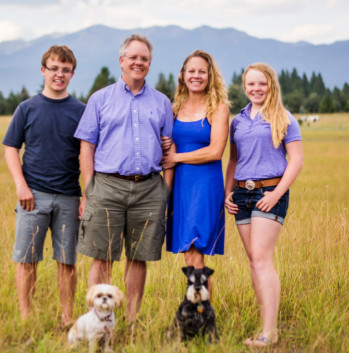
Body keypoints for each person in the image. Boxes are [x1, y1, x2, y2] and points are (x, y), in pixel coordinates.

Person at [73, 34, 173, 322]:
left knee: (138, 257)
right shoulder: (100, 99)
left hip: (149, 188)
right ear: (122, 61)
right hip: (106, 186)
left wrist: (165, 190)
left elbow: (170, 148)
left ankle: (130, 320)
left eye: (144, 58)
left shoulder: (162, 102)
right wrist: (89, 189)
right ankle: (98, 320)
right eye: (133, 57)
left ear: (149, 63)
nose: (138, 62)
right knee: (101, 255)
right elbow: (87, 146)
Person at [2, 45, 86, 327]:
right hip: (32, 196)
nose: (59, 74)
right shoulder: (27, 108)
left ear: (72, 74)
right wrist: (20, 186)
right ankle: (26, 316)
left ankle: (67, 317)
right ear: (43, 70)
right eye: (54, 68)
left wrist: (87, 194)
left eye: (65, 70)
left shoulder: (81, 111)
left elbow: (88, 156)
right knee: (27, 258)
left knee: (67, 261)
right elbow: (11, 149)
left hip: (69, 198)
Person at [224, 62, 303, 347]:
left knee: (261, 258)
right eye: (251, 84)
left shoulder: (284, 118)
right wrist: (227, 193)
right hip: (242, 196)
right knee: (253, 261)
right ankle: (264, 327)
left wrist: (277, 194)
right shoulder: (239, 120)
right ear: (244, 86)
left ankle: (270, 334)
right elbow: (233, 160)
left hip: (270, 193)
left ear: (271, 85)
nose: (256, 89)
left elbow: (296, 160)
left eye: (262, 83)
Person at [161, 50, 230, 295]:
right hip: (180, 187)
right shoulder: (174, 108)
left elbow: (215, 151)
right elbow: (167, 143)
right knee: (189, 255)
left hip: (204, 186)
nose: (196, 76)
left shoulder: (218, 109)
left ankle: (201, 312)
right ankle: (198, 309)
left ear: (210, 76)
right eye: (191, 71)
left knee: (194, 249)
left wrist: (176, 157)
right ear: (183, 75)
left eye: (202, 71)